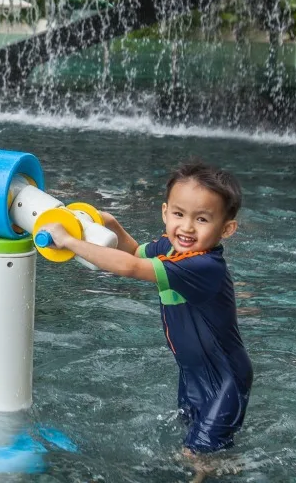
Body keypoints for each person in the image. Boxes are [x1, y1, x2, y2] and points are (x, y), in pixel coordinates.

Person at [43, 160, 251, 458]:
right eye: (179, 214)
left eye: (202, 219)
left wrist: (69, 241)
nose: (187, 227)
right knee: (191, 435)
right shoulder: (171, 248)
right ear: (165, 212)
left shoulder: (204, 266)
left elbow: (129, 267)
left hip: (225, 379)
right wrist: (111, 224)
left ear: (227, 229)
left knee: (199, 455)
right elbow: (133, 252)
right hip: (193, 372)